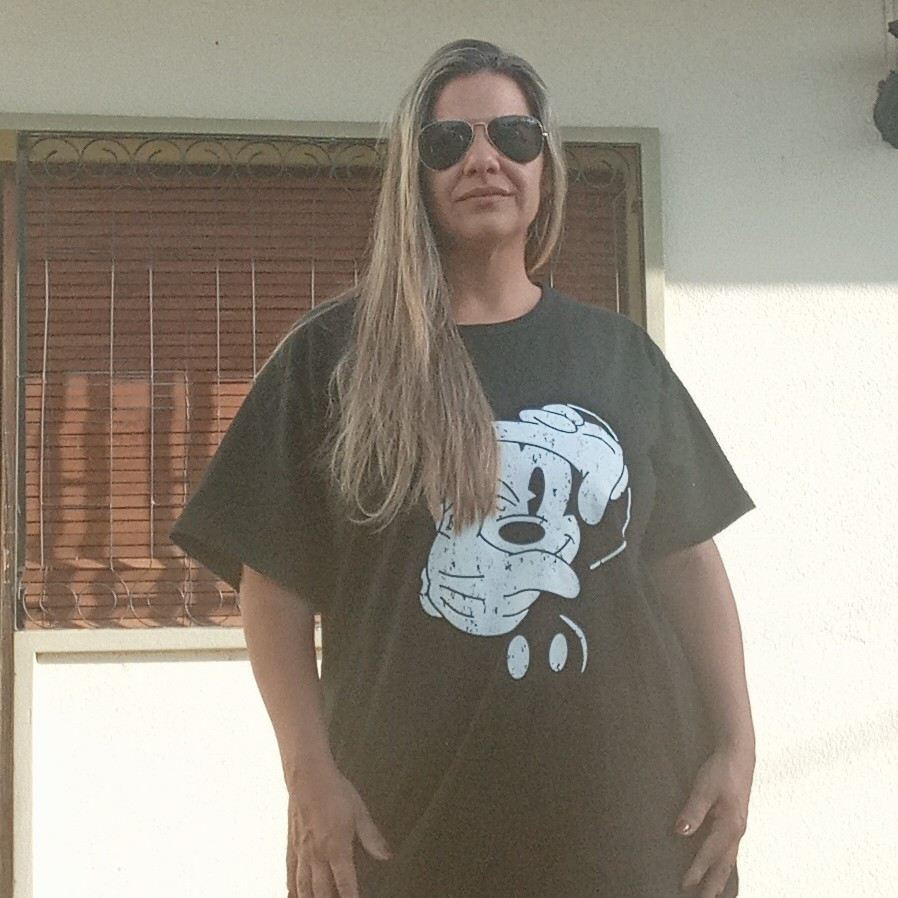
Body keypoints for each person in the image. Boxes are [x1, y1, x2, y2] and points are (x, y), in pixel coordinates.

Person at [171, 38, 755, 898]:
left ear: (545, 166)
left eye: (512, 136)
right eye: (450, 142)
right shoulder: (332, 359)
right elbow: (273, 589)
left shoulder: (619, 356)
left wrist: (738, 746)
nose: (483, 159)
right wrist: (308, 776)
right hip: (404, 833)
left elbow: (687, 560)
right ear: (415, 174)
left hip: (630, 827)